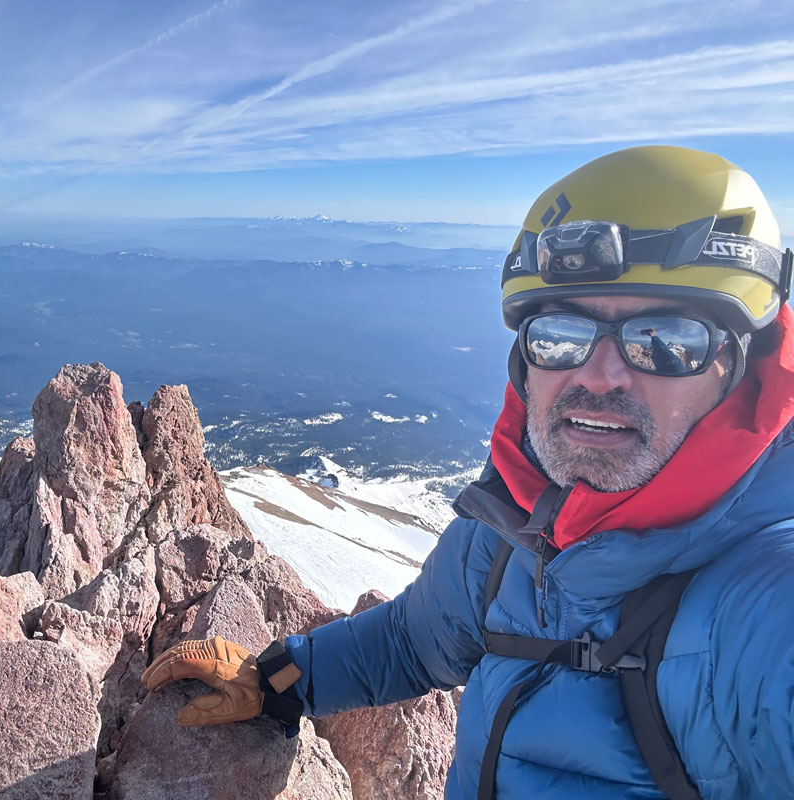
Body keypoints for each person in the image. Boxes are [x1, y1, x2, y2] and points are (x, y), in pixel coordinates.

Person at [142, 146, 794, 799]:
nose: (599, 376)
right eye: (560, 335)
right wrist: (276, 680)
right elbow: (410, 641)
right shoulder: (516, 532)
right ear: (524, 361)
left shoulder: (763, 604)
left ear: (740, 364)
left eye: (666, 341)